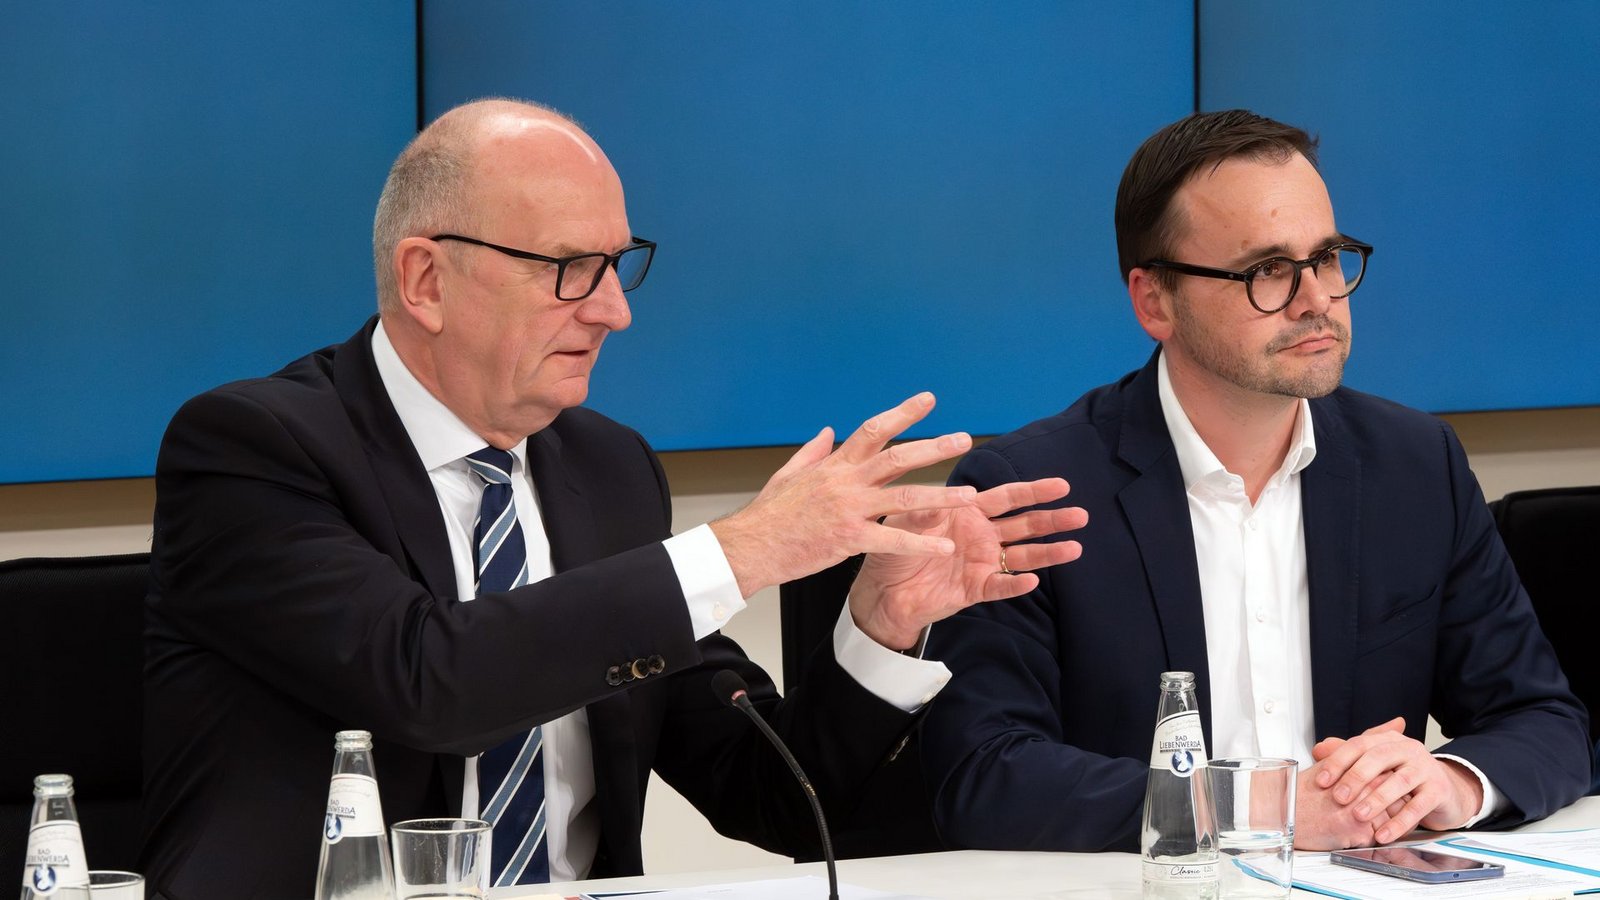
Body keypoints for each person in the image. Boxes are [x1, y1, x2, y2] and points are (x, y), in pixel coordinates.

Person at [139, 98, 1087, 900]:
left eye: (617, 264)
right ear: (426, 279)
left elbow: (773, 796)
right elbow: (427, 683)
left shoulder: (607, 470)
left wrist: (876, 628)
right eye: (568, 271)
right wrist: (745, 548)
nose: (612, 309)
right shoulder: (253, 450)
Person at [919, 109, 1590, 854]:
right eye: (1268, 270)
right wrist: (1255, 805)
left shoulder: (1415, 464)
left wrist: (1450, 781)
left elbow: (1547, 723)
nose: (1317, 300)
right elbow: (982, 775)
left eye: (1328, 257)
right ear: (1154, 302)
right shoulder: (1033, 490)